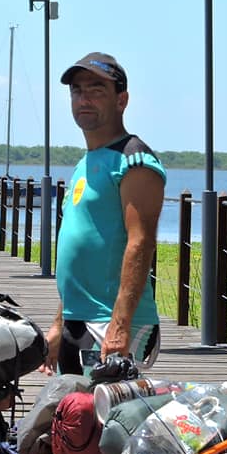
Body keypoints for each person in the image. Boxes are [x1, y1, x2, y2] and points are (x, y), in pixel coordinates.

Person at [42, 52, 166, 375]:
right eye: (77, 91)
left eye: (96, 90)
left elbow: (141, 243)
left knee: (107, 420)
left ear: (121, 100)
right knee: (71, 421)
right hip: (77, 319)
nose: (84, 99)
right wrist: (59, 322)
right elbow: (80, 257)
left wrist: (120, 325)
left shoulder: (133, 159)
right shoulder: (84, 164)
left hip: (111, 322)